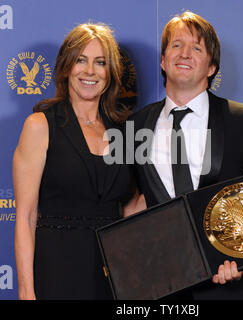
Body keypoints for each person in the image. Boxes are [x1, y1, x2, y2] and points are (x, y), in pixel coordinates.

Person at [129, 11, 243, 299]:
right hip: (161, 291)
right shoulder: (134, 127)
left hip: (230, 289)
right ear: (162, 60)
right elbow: (132, 204)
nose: (184, 54)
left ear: (211, 67)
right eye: (176, 45)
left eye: (196, 48)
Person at [13, 23, 145, 300]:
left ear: (110, 73)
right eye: (81, 60)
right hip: (57, 267)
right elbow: (25, 217)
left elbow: (130, 208)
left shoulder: (124, 132)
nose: (90, 71)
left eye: (100, 63)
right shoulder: (40, 126)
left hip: (113, 271)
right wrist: (26, 292)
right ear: (66, 66)